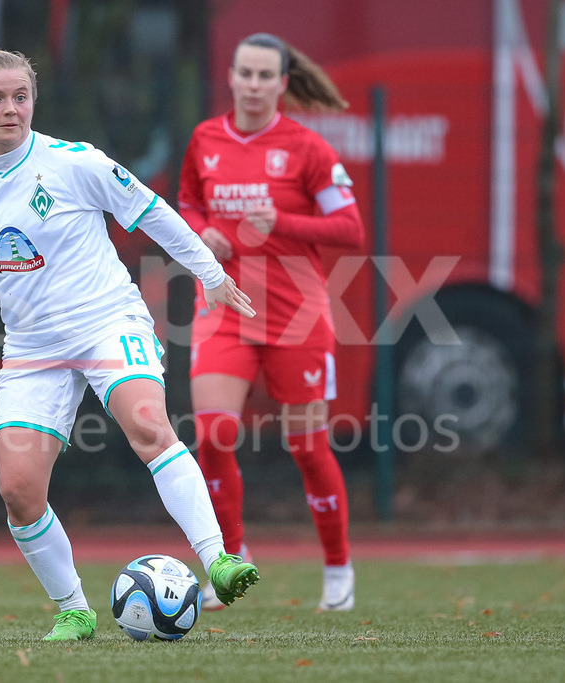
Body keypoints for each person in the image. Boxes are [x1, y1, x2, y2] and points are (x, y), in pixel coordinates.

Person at [0, 49, 260, 641]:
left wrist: (209, 274)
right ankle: (74, 608)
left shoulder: (74, 162)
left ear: (33, 100)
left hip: (106, 320)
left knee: (147, 423)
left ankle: (217, 558)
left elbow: (150, 212)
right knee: (17, 491)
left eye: (20, 96)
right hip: (33, 347)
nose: (10, 108)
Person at [178, 33, 364, 612]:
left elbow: (351, 230)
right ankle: (230, 562)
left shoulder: (307, 148)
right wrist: (198, 230)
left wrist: (281, 220)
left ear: (283, 84)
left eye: (266, 76)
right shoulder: (205, 139)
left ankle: (338, 569)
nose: (254, 85)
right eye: (245, 74)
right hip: (222, 310)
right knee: (211, 435)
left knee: (308, 449)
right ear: (230, 78)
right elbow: (186, 202)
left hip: (296, 316)